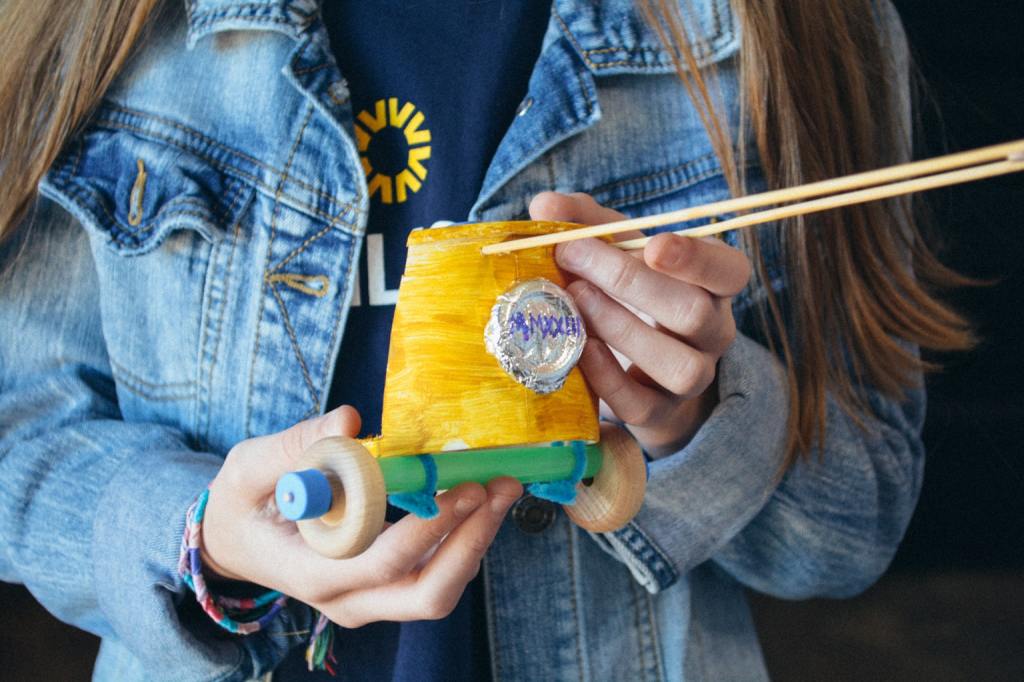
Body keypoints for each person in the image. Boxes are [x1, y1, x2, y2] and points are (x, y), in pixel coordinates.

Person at [0, 0, 973, 680]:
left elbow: (853, 531)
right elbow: (17, 432)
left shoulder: (782, 25)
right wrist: (201, 530)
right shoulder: (113, 21)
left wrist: (697, 417)